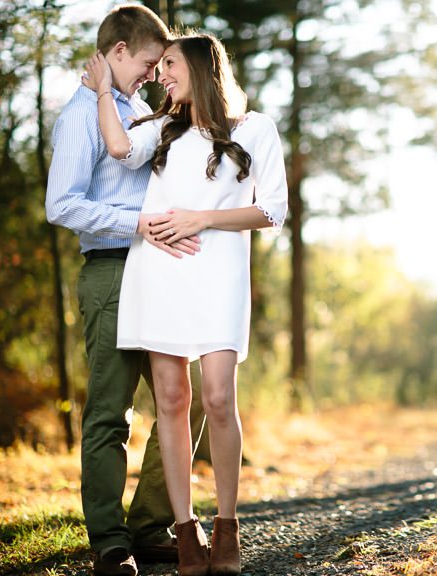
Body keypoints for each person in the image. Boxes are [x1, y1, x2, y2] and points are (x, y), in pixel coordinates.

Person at [84, 30, 288, 576]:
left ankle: (227, 525)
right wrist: (105, 89)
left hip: (219, 273)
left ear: (200, 67)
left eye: (169, 64)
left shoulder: (255, 128)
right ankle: (186, 530)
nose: (160, 75)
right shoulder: (161, 130)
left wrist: (202, 218)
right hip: (159, 272)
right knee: (171, 401)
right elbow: (120, 148)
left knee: (219, 398)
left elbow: (272, 211)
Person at [45, 6, 208, 576]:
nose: (150, 73)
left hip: (160, 270)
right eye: (144, 61)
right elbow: (60, 204)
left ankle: (151, 525)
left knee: (185, 404)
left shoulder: (139, 111)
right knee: (111, 414)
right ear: (116, 52)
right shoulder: (78, 118)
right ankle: (110, 541)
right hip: (113, 269)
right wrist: (132, 222)